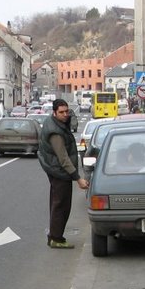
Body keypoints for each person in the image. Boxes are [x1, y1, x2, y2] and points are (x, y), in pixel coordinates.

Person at [38, 99, 89, 249]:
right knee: (61, 205)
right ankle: (56, 238)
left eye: (66, 111)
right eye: (61, 112)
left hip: (56, 169)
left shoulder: (55, 123)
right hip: (59, 171)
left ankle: (54, 236)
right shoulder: (56, 132)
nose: (65, 114)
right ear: (54, 112)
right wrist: (78, 178)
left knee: (57, 203)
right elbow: (63, 158)